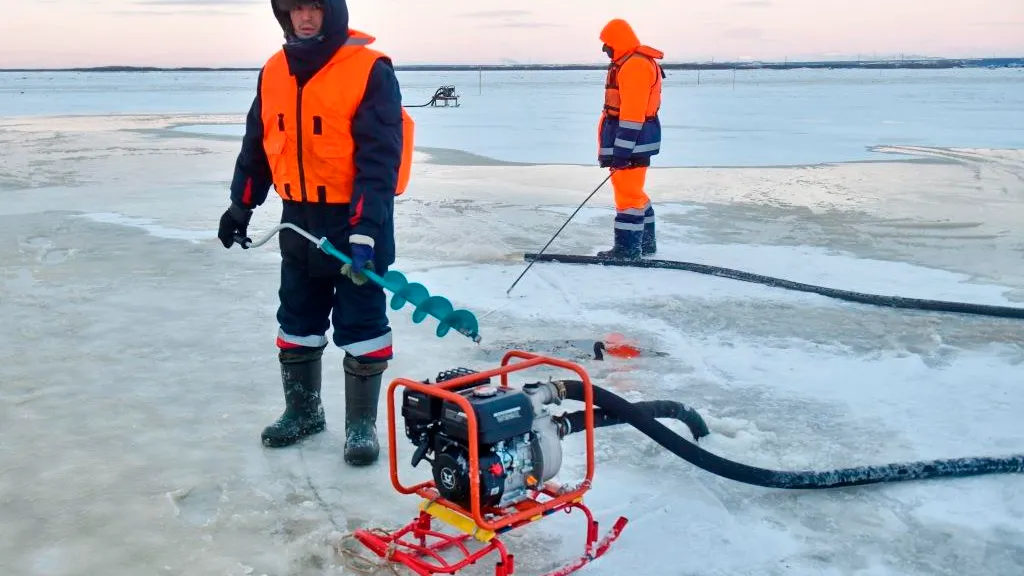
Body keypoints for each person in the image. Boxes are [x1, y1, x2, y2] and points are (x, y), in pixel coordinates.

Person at [216, 0, 413, 466]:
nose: (305, 18)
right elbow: (258, 145)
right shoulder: (274, 71)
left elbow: (379, 158)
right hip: (299, 221)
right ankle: (303, 412)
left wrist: (366, 229)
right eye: (294, 9)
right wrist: (241, 205)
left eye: (314, 8)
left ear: (332, 11)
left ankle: (360, 426)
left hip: (356, 222)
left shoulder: (368, 70)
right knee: (297, 319)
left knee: (362, 326)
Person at [596, 19, 665, 260]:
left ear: (618, 42)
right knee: (633, 190)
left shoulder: (635, 66)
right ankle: (645, 244)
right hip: (635, 140)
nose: (605, 51)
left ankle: (627, 250)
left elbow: (633, 114)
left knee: (627, 193)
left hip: (632, 141)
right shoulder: (631, 62)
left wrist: (621, 152)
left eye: (607, 46)